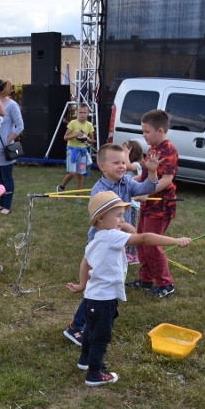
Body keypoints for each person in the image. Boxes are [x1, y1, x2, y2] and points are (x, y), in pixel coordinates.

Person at [66, 191, 190, 386]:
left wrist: (82, 285)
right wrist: (175, 241)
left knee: (91, 329)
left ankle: (85, 360)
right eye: (117, 216)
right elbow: (144, 238)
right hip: (103, 299)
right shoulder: (111, 236)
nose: (121, 220)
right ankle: (95, 374)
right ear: (100, 218)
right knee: (101, 335)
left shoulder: (97, 239)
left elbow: (85, 263)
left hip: (92, 297)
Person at [63, 143, 161, 345]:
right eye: (116, 163)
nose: (122, 166)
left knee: (106, 284)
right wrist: (125, 226)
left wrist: (152, 172)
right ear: (102, 166)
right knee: (98, 287)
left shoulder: (126, 182)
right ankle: (76, 327)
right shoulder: (99, 189)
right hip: (102, 241)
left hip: (116, 240)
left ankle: (98, 320)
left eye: (124, 162)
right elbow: (99, 217)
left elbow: (147, 189)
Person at [129, 109, 180, 298]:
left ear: (160, 131)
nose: (144, 135)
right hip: (148, 204)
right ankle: (146, 279)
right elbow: (144, 175)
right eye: (143, 131)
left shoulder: (169, 150)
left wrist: (147, 194)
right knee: (141, 242)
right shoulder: (153, 149)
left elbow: (166, 179)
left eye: (146, 131)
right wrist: (128, 183)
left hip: (160, 207)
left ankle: (166, 284)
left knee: (152, 244)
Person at [0, 79, 24, 215]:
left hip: (4, 148)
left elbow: (20, 126)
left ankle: (7, 205)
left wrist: (8, 140)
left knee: (7, 177)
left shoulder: (12, 105)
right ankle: (1, 203)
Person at [56, 103, 95, 192]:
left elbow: (93, 141)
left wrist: (86, 138)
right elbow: (65, 137)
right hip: (72, 150)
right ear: (77, 113)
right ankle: (61, 187)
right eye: (80, 112)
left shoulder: (89, 125)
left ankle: (78, 195)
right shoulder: (72, 123)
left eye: (84, 113)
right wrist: (75, 135)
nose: (82, 114)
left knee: (80, 174)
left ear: (88, 113)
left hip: (82, 152)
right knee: (73, 172)